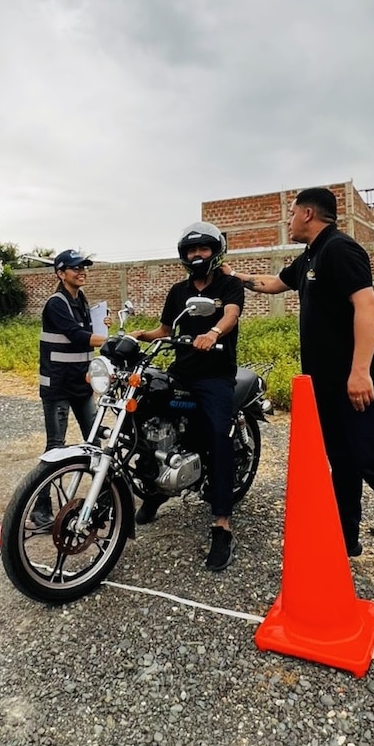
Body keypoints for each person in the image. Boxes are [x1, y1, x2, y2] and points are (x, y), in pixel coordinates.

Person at [222, 187, 374, 597]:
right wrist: (235, 278)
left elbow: (367, 307)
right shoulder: (311, 257)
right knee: (342, 462)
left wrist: (360, 371)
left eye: (293, 213)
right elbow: (273, 283)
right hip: (326, 385)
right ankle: (346, 537)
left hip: (355, 382)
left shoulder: (340, 250)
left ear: (309, 213)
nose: (289, 220)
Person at [132, 222, 245, 572]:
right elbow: (166, 330)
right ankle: (154, 489)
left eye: (204, 249)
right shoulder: (178, 290)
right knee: (142, 417)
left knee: (218, 435)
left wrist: (212, 332)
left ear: (215, 252)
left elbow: (231, 314)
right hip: (182, 370)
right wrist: (141, 335)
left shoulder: (229, 284)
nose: (197, 255)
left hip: (215, 374)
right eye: (191, 251)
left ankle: (222, 524)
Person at [31, 248, 111, 529]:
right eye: (75, 268)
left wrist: (102, 328)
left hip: (80, 384)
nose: (82, 272)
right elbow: (77, 337)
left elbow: (83, 340)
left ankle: (104, 501)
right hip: (58, 387)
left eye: (84, 267)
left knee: (96, 444)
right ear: (61, 273)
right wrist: (106, 341)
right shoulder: (56, 303)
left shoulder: (81, 300)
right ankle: (40, 511)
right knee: (56, 448)